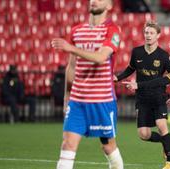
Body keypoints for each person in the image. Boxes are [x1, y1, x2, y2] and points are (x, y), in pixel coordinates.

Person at [51, 0, 123, 169]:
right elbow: (72, 66)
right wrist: (67, 96)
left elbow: (100, 58)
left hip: (102, 100)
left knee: (108, 146)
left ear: (109, 6)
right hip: (78, 100)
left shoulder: (113, 30)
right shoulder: (77, 31)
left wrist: (71, 48)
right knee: (68, 144)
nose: (94, 1)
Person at [114, 21, 170, 169]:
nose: (148, 36)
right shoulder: (136, 52)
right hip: (142, 98)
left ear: (158, 35)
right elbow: (130, 68)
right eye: (146, 33)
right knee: (143, 134)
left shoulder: (164, 56)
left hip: (158, 97)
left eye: (151, 33)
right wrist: (117, 78)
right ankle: (165, 141)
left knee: (162, 125)